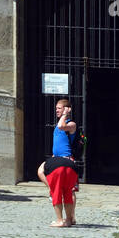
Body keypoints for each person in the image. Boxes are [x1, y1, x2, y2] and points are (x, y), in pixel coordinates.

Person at [37, 97, 80, 228]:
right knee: (40, 171)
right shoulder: (58, 125)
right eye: (56, 108)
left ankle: (71, 217)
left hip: (67, 159)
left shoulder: (70, 124)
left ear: (66, 109)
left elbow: (62, 126)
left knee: (70, 190)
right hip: (56, 158)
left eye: (59, 108)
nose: (56, 110)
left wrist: (66, 114)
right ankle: (53, 189)